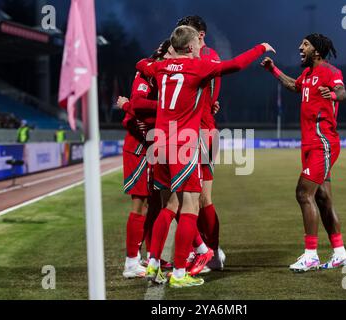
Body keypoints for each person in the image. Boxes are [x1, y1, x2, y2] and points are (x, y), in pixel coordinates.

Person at [137, 25, 275, 288]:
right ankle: (179, 273)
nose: (203, 48)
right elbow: (234, 65)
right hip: (183, 144)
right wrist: (260, 48)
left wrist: (159, 56)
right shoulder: (198, 67)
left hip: (159, 143)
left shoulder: (159, 68)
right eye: (198, 45)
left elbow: (141, 64)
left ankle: (153, 265)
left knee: (168, 207)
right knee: (191, 206)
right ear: (190, 47)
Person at [261, 33, 346, 272]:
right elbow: (294, 85)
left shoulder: (330, 72)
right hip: (309, 145)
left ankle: (310, 256)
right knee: (322, 198)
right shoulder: (308, 75)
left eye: (306, 45)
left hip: (323, 143)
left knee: (303, 193)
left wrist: (332, 94)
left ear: (317, 51)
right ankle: (340, 253)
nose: (300, 47)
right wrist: (273, 70)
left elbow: (342, 93)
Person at [176, 15, 225, 272]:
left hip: (201, 132)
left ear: (200, 36)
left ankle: (209, 252)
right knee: (190, 198)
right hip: (195, 131)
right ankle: (205, 249)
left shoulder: (205, 56)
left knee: (198, 198)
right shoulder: (204, 56)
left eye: (188, 34)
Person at [118, 40, 171, 279]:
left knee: (156, 204)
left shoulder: (169, 75)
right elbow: (138, 104)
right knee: (140, 203)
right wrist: (165, 105)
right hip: (139, 147)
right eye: (171, 53)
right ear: (162, 53)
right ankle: (131, 262)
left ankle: (152, 257)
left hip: (155, 143)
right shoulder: (146, 72)